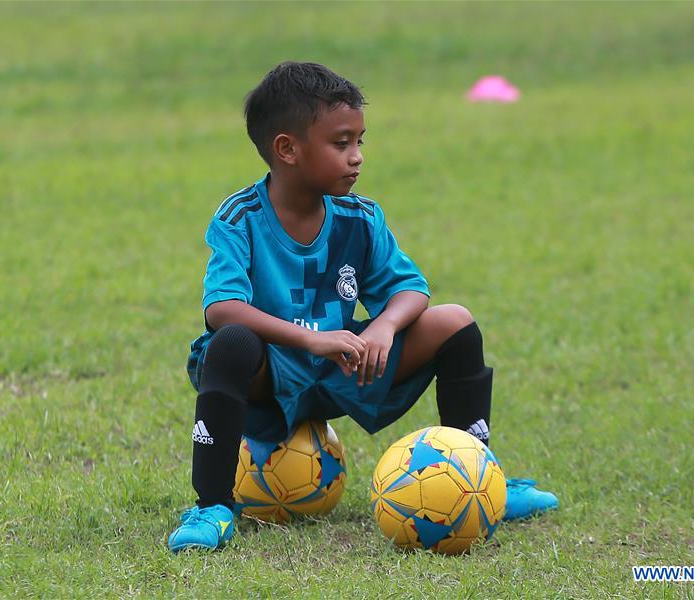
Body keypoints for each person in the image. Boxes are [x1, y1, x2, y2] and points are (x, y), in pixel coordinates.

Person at [168, 62, 558, 552]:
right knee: (230, 343)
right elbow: (222, 308)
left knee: (454, 323)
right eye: (341, 143)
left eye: (359, 141)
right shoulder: (239, 217)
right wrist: (312, 339)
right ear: (287, 149)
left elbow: (411, 289)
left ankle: (479, 478)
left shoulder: (360, 216)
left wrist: (384, 328)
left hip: (346, 365)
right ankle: (212, 507)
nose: (356, 157)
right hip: (271, 375)